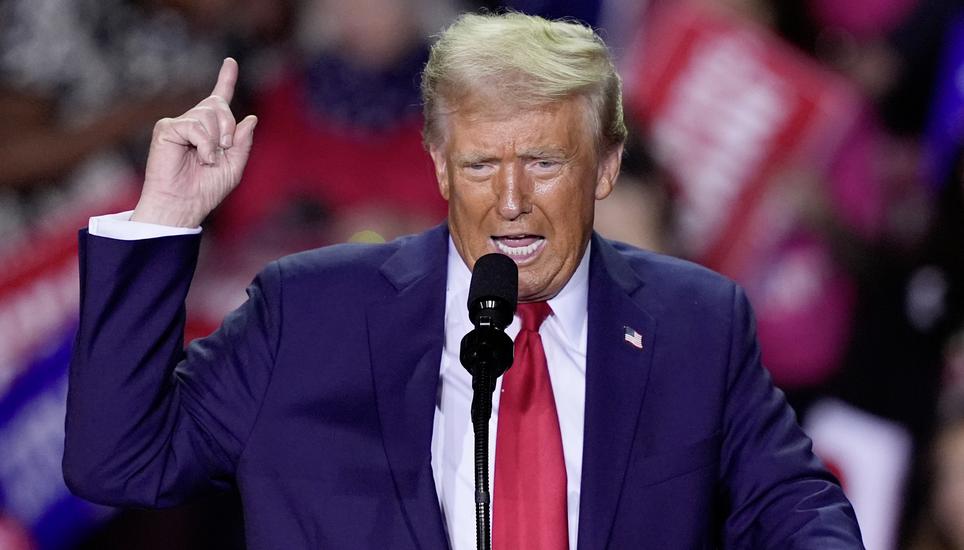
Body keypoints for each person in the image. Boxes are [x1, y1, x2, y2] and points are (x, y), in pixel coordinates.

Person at [63, 12, 864, 549]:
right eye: (481, 163)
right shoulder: (308, 312)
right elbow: (119, 461)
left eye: (545, 162)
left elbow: (793, 505)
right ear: (441, 167)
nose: (510, 200)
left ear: (607, 166)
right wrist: (164, 216)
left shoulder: (696, 321)